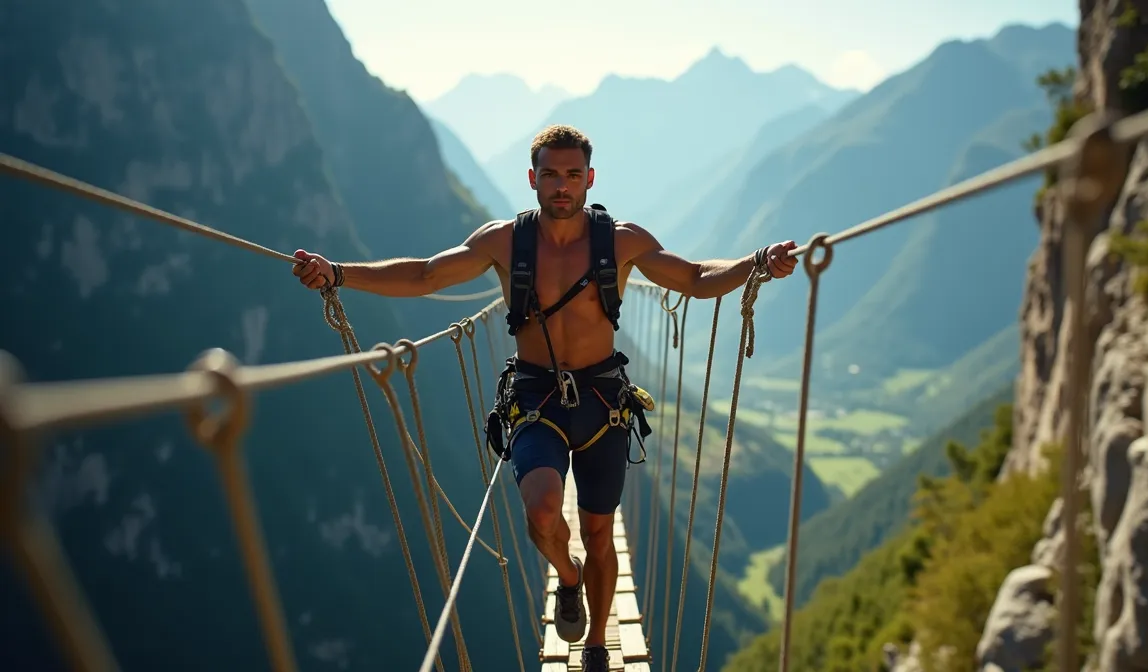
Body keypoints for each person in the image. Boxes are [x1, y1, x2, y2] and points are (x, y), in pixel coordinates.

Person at [292, 124, 797, 670]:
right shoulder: (503, 241)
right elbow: (426, 275)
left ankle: (598, 645)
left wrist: (758, 264)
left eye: (573, 175)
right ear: (532, 178)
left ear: (590, 178)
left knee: (601, 532)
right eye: (551, 174)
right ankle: (569, 573)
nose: (562, 186)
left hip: (604, 400)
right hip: (536, 397)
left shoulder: (620, 241)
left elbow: (696, 277)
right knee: (540, 514)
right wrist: (339, 273)